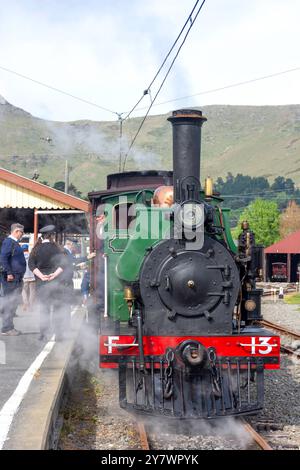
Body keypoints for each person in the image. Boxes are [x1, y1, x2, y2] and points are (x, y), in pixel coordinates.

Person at [28, 225, 66, 341]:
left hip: (41, 283)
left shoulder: (36, 249)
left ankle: (43, 334)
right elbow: (64, 264)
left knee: (44, 308)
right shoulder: (57, 249)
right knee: (57, 308)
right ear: (51, 236)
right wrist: (54, 275)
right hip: (56, 282)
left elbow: (31, 265)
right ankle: (58, 335)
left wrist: (41, 276)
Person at [0, 223, 26, 335]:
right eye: (22, 232)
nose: (22, 234)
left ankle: (9, 327)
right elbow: (3, 258)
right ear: (16, 231)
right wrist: (9, 273)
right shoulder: (9, 242)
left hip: (16, 278)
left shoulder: (13, 243)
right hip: (11, 278)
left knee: (13, 302)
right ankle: (7, 328)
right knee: (10, 303)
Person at [21, 244, 36, 311]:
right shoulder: (31, 256)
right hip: (32, 276)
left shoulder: (20, 257)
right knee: (32, 291)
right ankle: (31, 305)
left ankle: (25, 303)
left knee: (24, 291)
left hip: (24, 276)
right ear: (27, 249)